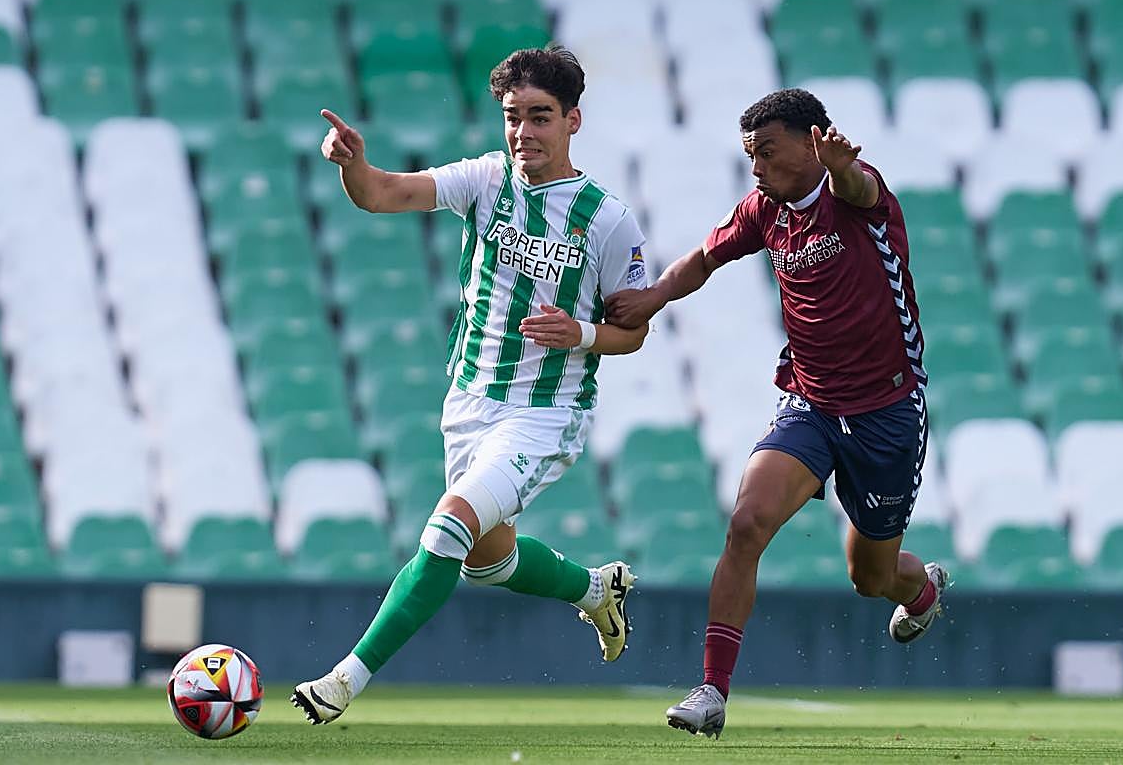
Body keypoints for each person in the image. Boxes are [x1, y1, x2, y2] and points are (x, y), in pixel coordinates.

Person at [292, 45, 650, 724]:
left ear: (573, 121)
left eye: (540, 118)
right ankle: (594, 588)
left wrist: (580, 335)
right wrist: (354, 166)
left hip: (545, 412)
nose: (523, 133)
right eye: (513, 117)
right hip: (469, 403)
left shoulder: (607, 220)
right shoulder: (487, 180)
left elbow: (632, 330)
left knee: (450, 524)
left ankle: (345, 679)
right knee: (487, 561)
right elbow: (380, 195)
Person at [605, 88, 946, 739]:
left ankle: (920, 591)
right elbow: (706, 257)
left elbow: (857, 184)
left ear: (811, 141)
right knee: (746, 523)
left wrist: (841, 167)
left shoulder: (858, 194)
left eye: (766, 152)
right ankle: (711, 690)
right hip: (811, 404)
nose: (756, 168)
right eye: (749, 155)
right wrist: (651, 299)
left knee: (871, 577)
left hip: (887, 414)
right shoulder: (766, 211)